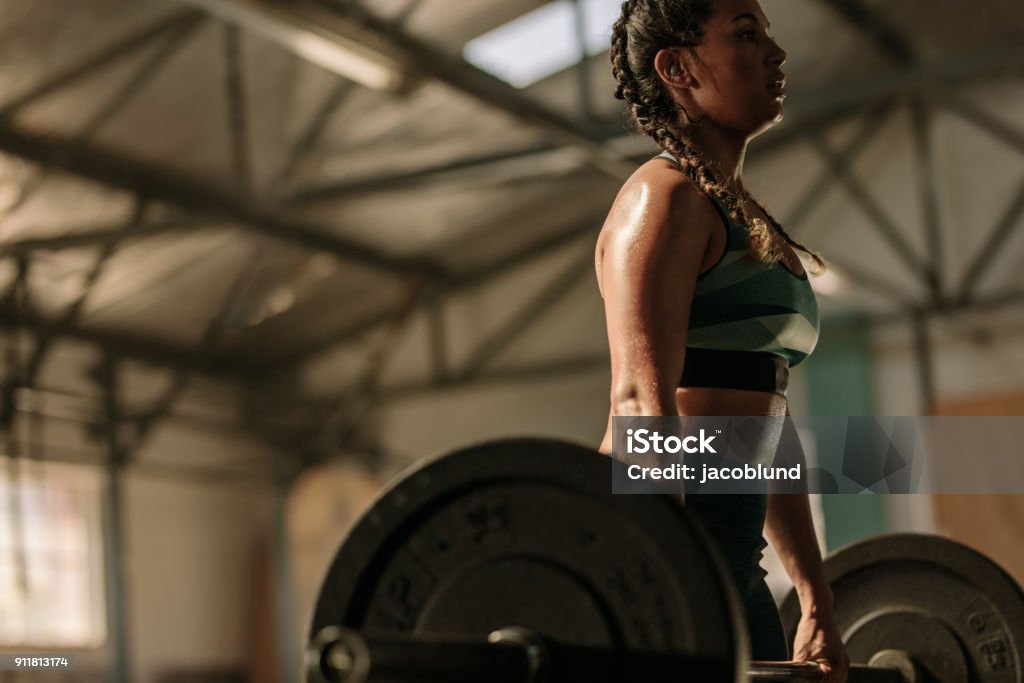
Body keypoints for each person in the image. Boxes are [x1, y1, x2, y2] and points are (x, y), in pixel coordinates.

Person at [594, 0, 849, 680]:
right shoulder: (664, 197)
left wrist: (815, 599)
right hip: (667, 551)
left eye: (766, 31)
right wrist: (665, 587)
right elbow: (638, 402)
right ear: (677, 67)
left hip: (732, 561)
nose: (777, 52)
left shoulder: (737, 212)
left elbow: (766, 425)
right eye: (745, 34)